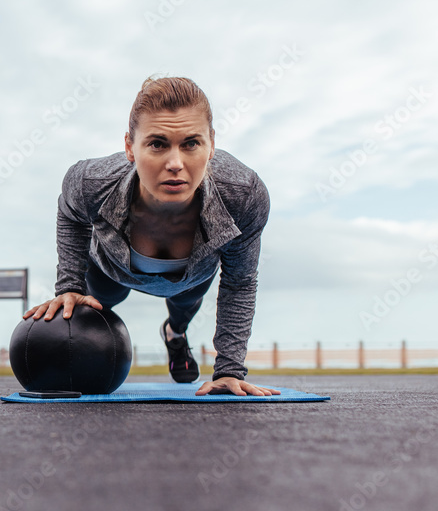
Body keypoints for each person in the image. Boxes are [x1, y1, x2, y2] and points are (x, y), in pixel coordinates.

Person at [23, 75, 280, 397]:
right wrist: (70, 286)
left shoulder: (243, 195)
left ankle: (175, 336)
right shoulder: (90, 181)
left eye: (191, 144)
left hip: (190, 280)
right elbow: (70, 214)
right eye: (157, 144)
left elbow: (239, 282)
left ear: (212, 144)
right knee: (97, 309)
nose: (175, 164)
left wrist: (229, 369)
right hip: (110, 270)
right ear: (130, 147)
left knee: (182, 311)